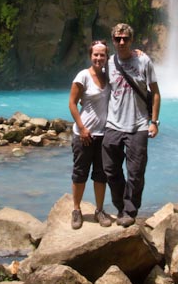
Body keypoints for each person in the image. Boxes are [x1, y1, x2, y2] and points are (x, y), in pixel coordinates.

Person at [103, 23, 161, 227]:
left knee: (136, 172)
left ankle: (130, 210)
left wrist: (154, 122)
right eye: (117, 38)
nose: (121, 42)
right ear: (113, 40)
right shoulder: (108, 63)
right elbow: (99, 85)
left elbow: (155, 92)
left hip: (139, 125)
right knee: (110, 169)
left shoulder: (143, 60)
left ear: (131, 40)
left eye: (125, 38)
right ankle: (120, 206)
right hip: (113, 124)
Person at [68, 40, 113, 229]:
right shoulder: (83, 76)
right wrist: (82, 128)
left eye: (102, 55)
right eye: (96, 54)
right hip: (84, 134)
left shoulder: (109, 77)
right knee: (80, 173)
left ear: (106, 57)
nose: (99, 58)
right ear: (90, 55)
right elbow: (72, 103)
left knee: (101, 174)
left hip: (104, 134)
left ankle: (99, 210)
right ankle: (76, 210)